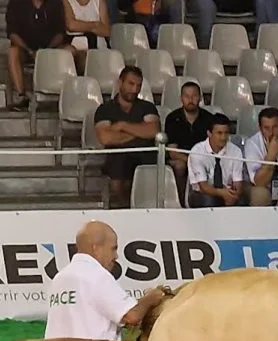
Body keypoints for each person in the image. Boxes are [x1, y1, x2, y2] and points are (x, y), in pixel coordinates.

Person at [93, 66, 160, 207]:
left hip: (145, 155)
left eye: (138, 85)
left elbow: (153, 131)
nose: (135, 89)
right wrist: (138, 132)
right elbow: (106, 138)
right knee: (118, 177)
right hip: (118, 156)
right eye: (131, 84)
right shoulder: (104, 109)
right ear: (120, 82)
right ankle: (127, 207)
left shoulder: (148, 107)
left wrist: (122, 126)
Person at [5, 0, 66, 110]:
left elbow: (60, 33)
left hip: (50, 50)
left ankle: (63, 96)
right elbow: (12, 33)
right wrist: (29, 51)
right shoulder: (15, 3)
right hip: (25, 49)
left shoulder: (55, 3)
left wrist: (45, 52)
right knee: (12, 52)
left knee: (69, 51)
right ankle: (21, 95)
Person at [163, 80, 214, 202]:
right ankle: (179, 200)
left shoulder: (209, 118)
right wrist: (192, 162)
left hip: (203, 158)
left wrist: (199, 162)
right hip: (181, 159)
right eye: (187, 96)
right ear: (181, 98)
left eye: (194, 96)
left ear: (200, 98)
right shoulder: (172, 118)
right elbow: (172, 152)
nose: (190, 99)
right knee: (180, 166)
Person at [187, 113, 247, 207]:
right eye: (219, 133)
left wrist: (234, 195)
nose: (223, 138)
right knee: (210, 200)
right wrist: (223, 193)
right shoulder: (197, 151)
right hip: (201, 193)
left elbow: (238, 182)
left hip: (227, 191)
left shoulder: (236, 151)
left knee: (242, 200)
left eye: (226, 133)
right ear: (209, 133)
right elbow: (203, 187)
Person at [61, 0, 109, 73]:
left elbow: (106, 30)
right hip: (76, 49)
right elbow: (71, 26)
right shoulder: (66, 1)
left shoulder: (99, 2)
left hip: (99, 48)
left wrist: (80, 25)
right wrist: (95, 25)